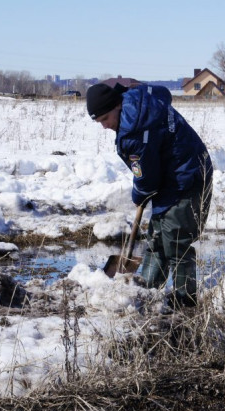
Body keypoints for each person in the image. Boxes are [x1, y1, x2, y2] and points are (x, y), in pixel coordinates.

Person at [86, 82, 213, 308]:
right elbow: (163, 92)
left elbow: (147, 180)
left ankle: (185, 300)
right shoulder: (139, 97)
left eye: (105, 119)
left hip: (187, 175)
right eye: (99, 122)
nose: (104, 126)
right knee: (156, 240)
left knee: (176, 240)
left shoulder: (133, 130)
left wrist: (140, 194)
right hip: (173, 172)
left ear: (117, 105)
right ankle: (147, 293)